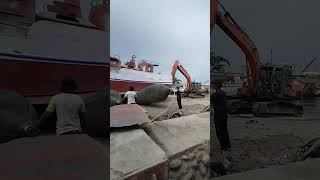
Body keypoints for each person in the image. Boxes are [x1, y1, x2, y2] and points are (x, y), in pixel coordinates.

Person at [211, 80, 231, 159]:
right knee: (225, 130)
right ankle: (227, 145)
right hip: (224, 114)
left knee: (219, 131)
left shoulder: (216, 94)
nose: (212, 86)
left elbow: (211, 100)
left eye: (213, 84)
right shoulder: (223, 93)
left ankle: (224, 148)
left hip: (219, 115)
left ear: (216, 85)